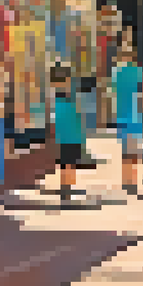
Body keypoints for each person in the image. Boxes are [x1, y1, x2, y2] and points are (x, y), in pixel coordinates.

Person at [51, 61, 86, 202]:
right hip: (71, 133)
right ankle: (66, 189)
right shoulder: (70, 96)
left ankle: (66, 187)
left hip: (63, 134)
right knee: (69, 162)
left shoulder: (55, 97)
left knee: (65, 162)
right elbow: (78, 114)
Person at [111, 50, 143, 193]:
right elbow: (142, 92)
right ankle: (133, 181)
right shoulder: (136, 71)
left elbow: (113, 92)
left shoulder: (116, 72)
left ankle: (126, 180)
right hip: (134, 115)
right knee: (133, 152)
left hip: (121, 115)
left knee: (125, 151)